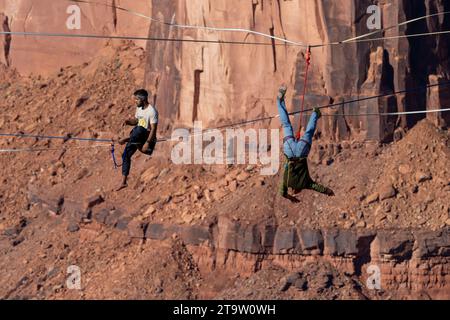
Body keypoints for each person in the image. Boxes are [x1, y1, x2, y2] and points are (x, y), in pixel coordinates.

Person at [277, 84, 334, 201]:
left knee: (308, 132)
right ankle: (280, 101)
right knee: (286, 124)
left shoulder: (305, 184)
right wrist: (291, 198)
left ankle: (315, 113)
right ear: (292, 189)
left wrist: (328, 191)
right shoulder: (286, 182)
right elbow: (282, 193)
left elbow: (316, 187)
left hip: (302, 151)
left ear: (299, 189)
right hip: (289, 150)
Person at [116, 89, 158, 191]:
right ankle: (124, 182)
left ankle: (127, 139)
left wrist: (147, 143)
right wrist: (128, 121)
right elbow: (137, 121)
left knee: (139, 129)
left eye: (136, 99)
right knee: (125, 155)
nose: (135, 101)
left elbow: (153, 129)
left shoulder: (152, 111)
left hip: (146, 139)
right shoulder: (139, 108)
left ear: (142, 99)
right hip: (136, 137)